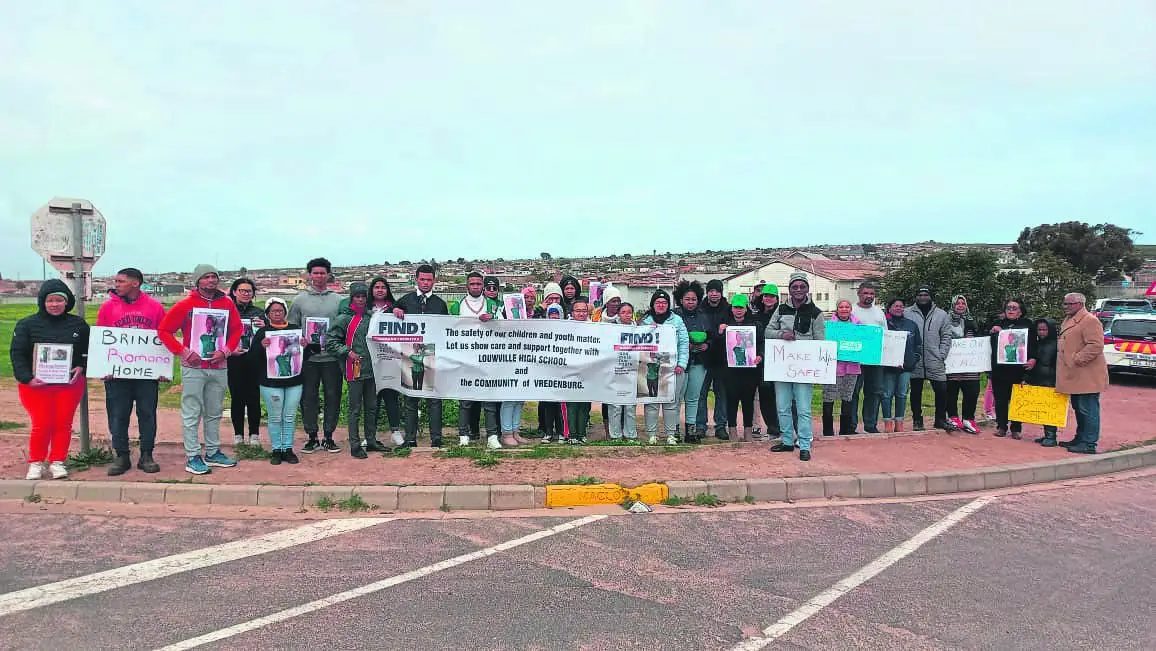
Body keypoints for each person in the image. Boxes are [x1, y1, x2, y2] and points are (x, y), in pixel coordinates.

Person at [158, 264, 241, 475]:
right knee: (192, 411)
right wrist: (183, 351)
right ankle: (192, 455)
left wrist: (226, 351)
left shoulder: (227, 304)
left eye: (214, 277)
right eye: (206, 277)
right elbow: (165, 331)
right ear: (197, 281)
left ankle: (213, 452)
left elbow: (236, 330)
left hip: (219, 366)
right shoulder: (185, 305)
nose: (211, 281)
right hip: (193, 367)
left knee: (214, 411)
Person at [11, 280, 90, 480]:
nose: (54, 304)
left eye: (59, 300)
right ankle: (36, 463)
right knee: (42, 423)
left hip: (68, 385)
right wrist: (27, 378)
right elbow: (17, 353)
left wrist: (81, 366)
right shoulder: (26, 325)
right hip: (36, 385)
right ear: (42, 302)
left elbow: (86, 352)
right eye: (50, 300)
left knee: (63, 423)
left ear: (66, 302)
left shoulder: (78, 325)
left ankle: (58, 461)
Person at [93, 268, 167, 475]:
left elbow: (164, 337)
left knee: (147, 414)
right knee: (118, 415)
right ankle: (122, 455)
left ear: (135, 283)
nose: (116, 284)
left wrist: (162, 368)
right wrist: (103, 366)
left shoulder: (154, 307)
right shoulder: (108, 308)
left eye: (120, 281)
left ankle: (146, 455)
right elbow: (102, 339)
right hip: (117, 374)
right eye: (115, 280)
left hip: (146, 374)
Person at [328, 282, 392, 458]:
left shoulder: (372, 317)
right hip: (353, 369)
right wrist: (347, 352)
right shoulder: (344, 319)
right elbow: (330, 342)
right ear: (352, 298)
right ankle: (355, 444)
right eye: (357, 297)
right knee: (355, 409)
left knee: (371, 407)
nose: (361, 300)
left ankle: (371, 440)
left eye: (364, 297)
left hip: (372, 370)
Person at [288, 257, 344, 454]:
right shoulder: (299, 300)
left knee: (332, 396)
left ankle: (328, 436)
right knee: (308, 397)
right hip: (308, 359)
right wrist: (300, 340)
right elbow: (291, 327)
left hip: (332, 359)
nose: (319, 276)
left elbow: (343, 327)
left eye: (323, 273)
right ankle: (312, 436)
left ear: (329, 275)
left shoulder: (338, 300)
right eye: (315, 273)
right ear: (309, 275)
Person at [767, 272, 825, 462]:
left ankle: (805, 444)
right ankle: (787, 440)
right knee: (782, 405)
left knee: (803, 408)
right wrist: (781, 335)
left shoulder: (816, 313)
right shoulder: (781, 309)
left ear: (807, 289)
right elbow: (768, 331)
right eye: (795, 287)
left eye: (802, 286)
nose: (798, 290)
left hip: (804, 367)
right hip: (782, 364)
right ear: (789, 289)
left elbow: (820, 341)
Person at [393, 264, 450, 447]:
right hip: (410, 355)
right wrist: (395, 311)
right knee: (411, 398)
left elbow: (446, 331)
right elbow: (387, 319)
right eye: (422, 279)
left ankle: (436, 438)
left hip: (433, 355)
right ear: (416, 279)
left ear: (434, 281)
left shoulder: (440, 304)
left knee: (434, 399)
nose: (425, 283)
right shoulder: (404, 300)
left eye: (429, 280)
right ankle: (410, 438)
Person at [248, 297, 306, 465]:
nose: (277, 313)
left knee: (289, 416)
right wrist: (261, 346)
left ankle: (288, 448)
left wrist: (306, 345)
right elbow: (251, 358)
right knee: (275, 417)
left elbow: (305, 356)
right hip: (270, 382)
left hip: (294, 380)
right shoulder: (262, 333)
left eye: (280, 310)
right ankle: (276, 449)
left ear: (285, 312)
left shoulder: (295, 330)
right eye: (273, 311)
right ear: (267, 314)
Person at [451, 272, 503, 449]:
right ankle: (463, 435)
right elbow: (449, 329)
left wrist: (493, 319)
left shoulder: (492, 305)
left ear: (482, 285)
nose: (475, 286)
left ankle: (492, 435)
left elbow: (505, 326)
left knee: (489, 400)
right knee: (466, 400)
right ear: (467, 285)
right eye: (472, 284)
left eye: (478, 284)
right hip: (465, 358)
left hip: (488, 358)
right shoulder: (457, 305)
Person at [1056, 293, 1108, 454]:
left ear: (1079, 304)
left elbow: (1096, 345)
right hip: (1076, 375)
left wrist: (1077, 359)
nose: (1065, 306)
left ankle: (1089, 443)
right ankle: (1080, 437)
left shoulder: (1090, 320)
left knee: (1088, 409)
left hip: (1087, 375)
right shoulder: (1070, 319)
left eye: (1068, 304)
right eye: (1065, 303)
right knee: (1079, 407)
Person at [641, 290, 689, 445]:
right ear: (653, 305)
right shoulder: (645, 321)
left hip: (672, 368)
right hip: (652, 369)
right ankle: (652, 434)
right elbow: (639, 345)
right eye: (658, 303)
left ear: (669, 305)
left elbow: (683, 343)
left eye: (664, 303)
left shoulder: (677, 321)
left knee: (671, 403)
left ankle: (671, 434)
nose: (661, 305)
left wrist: (681, 364)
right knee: (651, 401)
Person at [904, 287, 953, 431]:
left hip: (935, 359)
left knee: (942, 390)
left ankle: (940, 419)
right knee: (915, 392)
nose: (923, 297)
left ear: (930, 296)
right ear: (916, 297)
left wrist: (941, 353)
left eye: (926, 294)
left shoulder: (941, 314)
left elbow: (946, 335)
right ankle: (917, 420)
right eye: (920, 294)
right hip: (915, 359)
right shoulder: (907, 313)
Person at [718, 294, 765, 441]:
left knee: (748, 400)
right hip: (730, 371)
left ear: (746, 309)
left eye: (741, 307)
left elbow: (762, 343)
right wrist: (720, 333)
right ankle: (732, 431)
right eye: (735, 307)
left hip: (749, 371)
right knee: (731, 400)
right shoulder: (725, 325)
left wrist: (760, 356)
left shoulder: (755, 325)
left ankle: (748, 432)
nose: (738, 310)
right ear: (731, 309)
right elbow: (718, 347)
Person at [988, 298, 1036, 439]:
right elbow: (990, 345)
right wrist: (992, 332)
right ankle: (1001, 426)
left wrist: (1033, 359)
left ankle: (1016, 428)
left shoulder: (1027, 325)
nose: (1010, 310)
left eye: (1014, 308)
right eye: (1008, 307)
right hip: (1000, 369)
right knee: (1000, 399)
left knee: (1018, 399)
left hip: (1019, 369)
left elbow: (1033, 344)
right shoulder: (998, 324)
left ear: (1020, 311)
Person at [227, 278, 265, 445]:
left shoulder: (259, 312)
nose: (245, 294)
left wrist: (266, 325)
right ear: (234, 292)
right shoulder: (227, 310)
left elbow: (268, 335)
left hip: (254, 360)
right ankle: (238, 434)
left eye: (249, 291)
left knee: (254, 397)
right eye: (242, 290)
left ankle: (254, 434)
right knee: (237, 397)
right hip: (234, 359)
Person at [367, 276, 404, 447]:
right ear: (372, 290)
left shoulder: (394, 309)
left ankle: (395, 431)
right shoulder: (366, 310)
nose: (380, 290)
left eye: (383, 287)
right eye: (377, 287)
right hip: (370, 361)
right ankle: (370, 434)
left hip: (390, 360)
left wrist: (398, 311)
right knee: (371, 400)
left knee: (391, 397)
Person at [673, 280, 709, 443]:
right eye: (687, 299)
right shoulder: (673, 316)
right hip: (680, 363)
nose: (690, 302)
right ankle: (673, 430)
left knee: (693, 397)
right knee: (677, 397)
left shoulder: (703, 316)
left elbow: (712, 335)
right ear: (681, 299)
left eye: (693, 299)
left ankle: (691, 430)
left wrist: (706, 345)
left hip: (699, 361)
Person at [849, 282, 887, 434]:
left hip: (875, 359)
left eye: (871, 294)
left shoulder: (879, 312)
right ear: (859, 294)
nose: (869, 296)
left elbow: (885, 334)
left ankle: (870, 425)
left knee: (874, 392)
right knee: (853, 392)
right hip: (855, 359)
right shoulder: (851, 310)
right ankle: (850, 426)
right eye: (866, 293)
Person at [822, 300, 862, 437]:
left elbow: (864, 344)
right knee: (829, 398)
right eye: (841, 307)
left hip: (852, 368)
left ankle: (846, 429)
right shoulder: (829, 326)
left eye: (847, 307)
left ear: (851, 309)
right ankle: (827, 431)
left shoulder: (859, 326)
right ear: (837, 309)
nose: (844, 309)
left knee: (848, 398)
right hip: (833, 368)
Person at [881, 298, 920, 433]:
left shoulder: (911, 325)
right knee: (887, 394)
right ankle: (887, 422)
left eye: (901, 306)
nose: (899, 308)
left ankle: (899, 421)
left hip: (906, 366)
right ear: (890, 308)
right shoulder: (884, 323)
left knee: (902, 394)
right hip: (888, 366)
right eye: (896, 306)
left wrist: (914, 359)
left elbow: (917, 345)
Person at [697, 279, 730, 437]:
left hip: (722, 358)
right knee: (701, 393)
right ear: (707, 292)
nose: (714, 294)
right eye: (711, 290)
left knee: (721, 393)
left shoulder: (729, 309)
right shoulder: (700, 309)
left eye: (717, 291)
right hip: (703, 358)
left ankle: (721, 425)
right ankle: (700, 425)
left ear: (721, 292)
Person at [944, 295, 981, 434]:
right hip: (953, 364)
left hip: (970, 365)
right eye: (957, 303)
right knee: (951, 392)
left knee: (972, 391)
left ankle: (968, 419)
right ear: (953, 305)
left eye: (963, 303)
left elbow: (979, 339)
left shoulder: (971, 320)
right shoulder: (946, 320)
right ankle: (953, 417)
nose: (960, 305)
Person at [562, 297, 596, 443]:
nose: (581, 314)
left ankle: (582, 434)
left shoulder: (594, 327)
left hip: (588, 370)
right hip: (570, 370)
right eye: (578, 311)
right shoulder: (565, 327)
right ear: (572, 312)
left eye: (584, 311)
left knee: (584, 405)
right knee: (571, 404)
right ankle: (572, 435)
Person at [604, 302, 639, 440]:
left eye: (629, 312)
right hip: (615, 371)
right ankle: (615, 435)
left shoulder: (638, 330)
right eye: (623, 312)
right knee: (615, 405)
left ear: (632, 314)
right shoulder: (611, 329)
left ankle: (630, 434)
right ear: (618, 314)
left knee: (630, 406)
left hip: (631, 371)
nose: (626, 315)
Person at [1027, 318, 1060, 447]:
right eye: (1039, 329)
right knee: (1043, 408)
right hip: (1040, 379)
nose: (1041, 332)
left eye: (1044, 329)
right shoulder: (1038, 343)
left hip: (1050, 380)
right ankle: (1048, 434)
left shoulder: (1055, 345)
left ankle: (1051, 436)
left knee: (1050, 409)